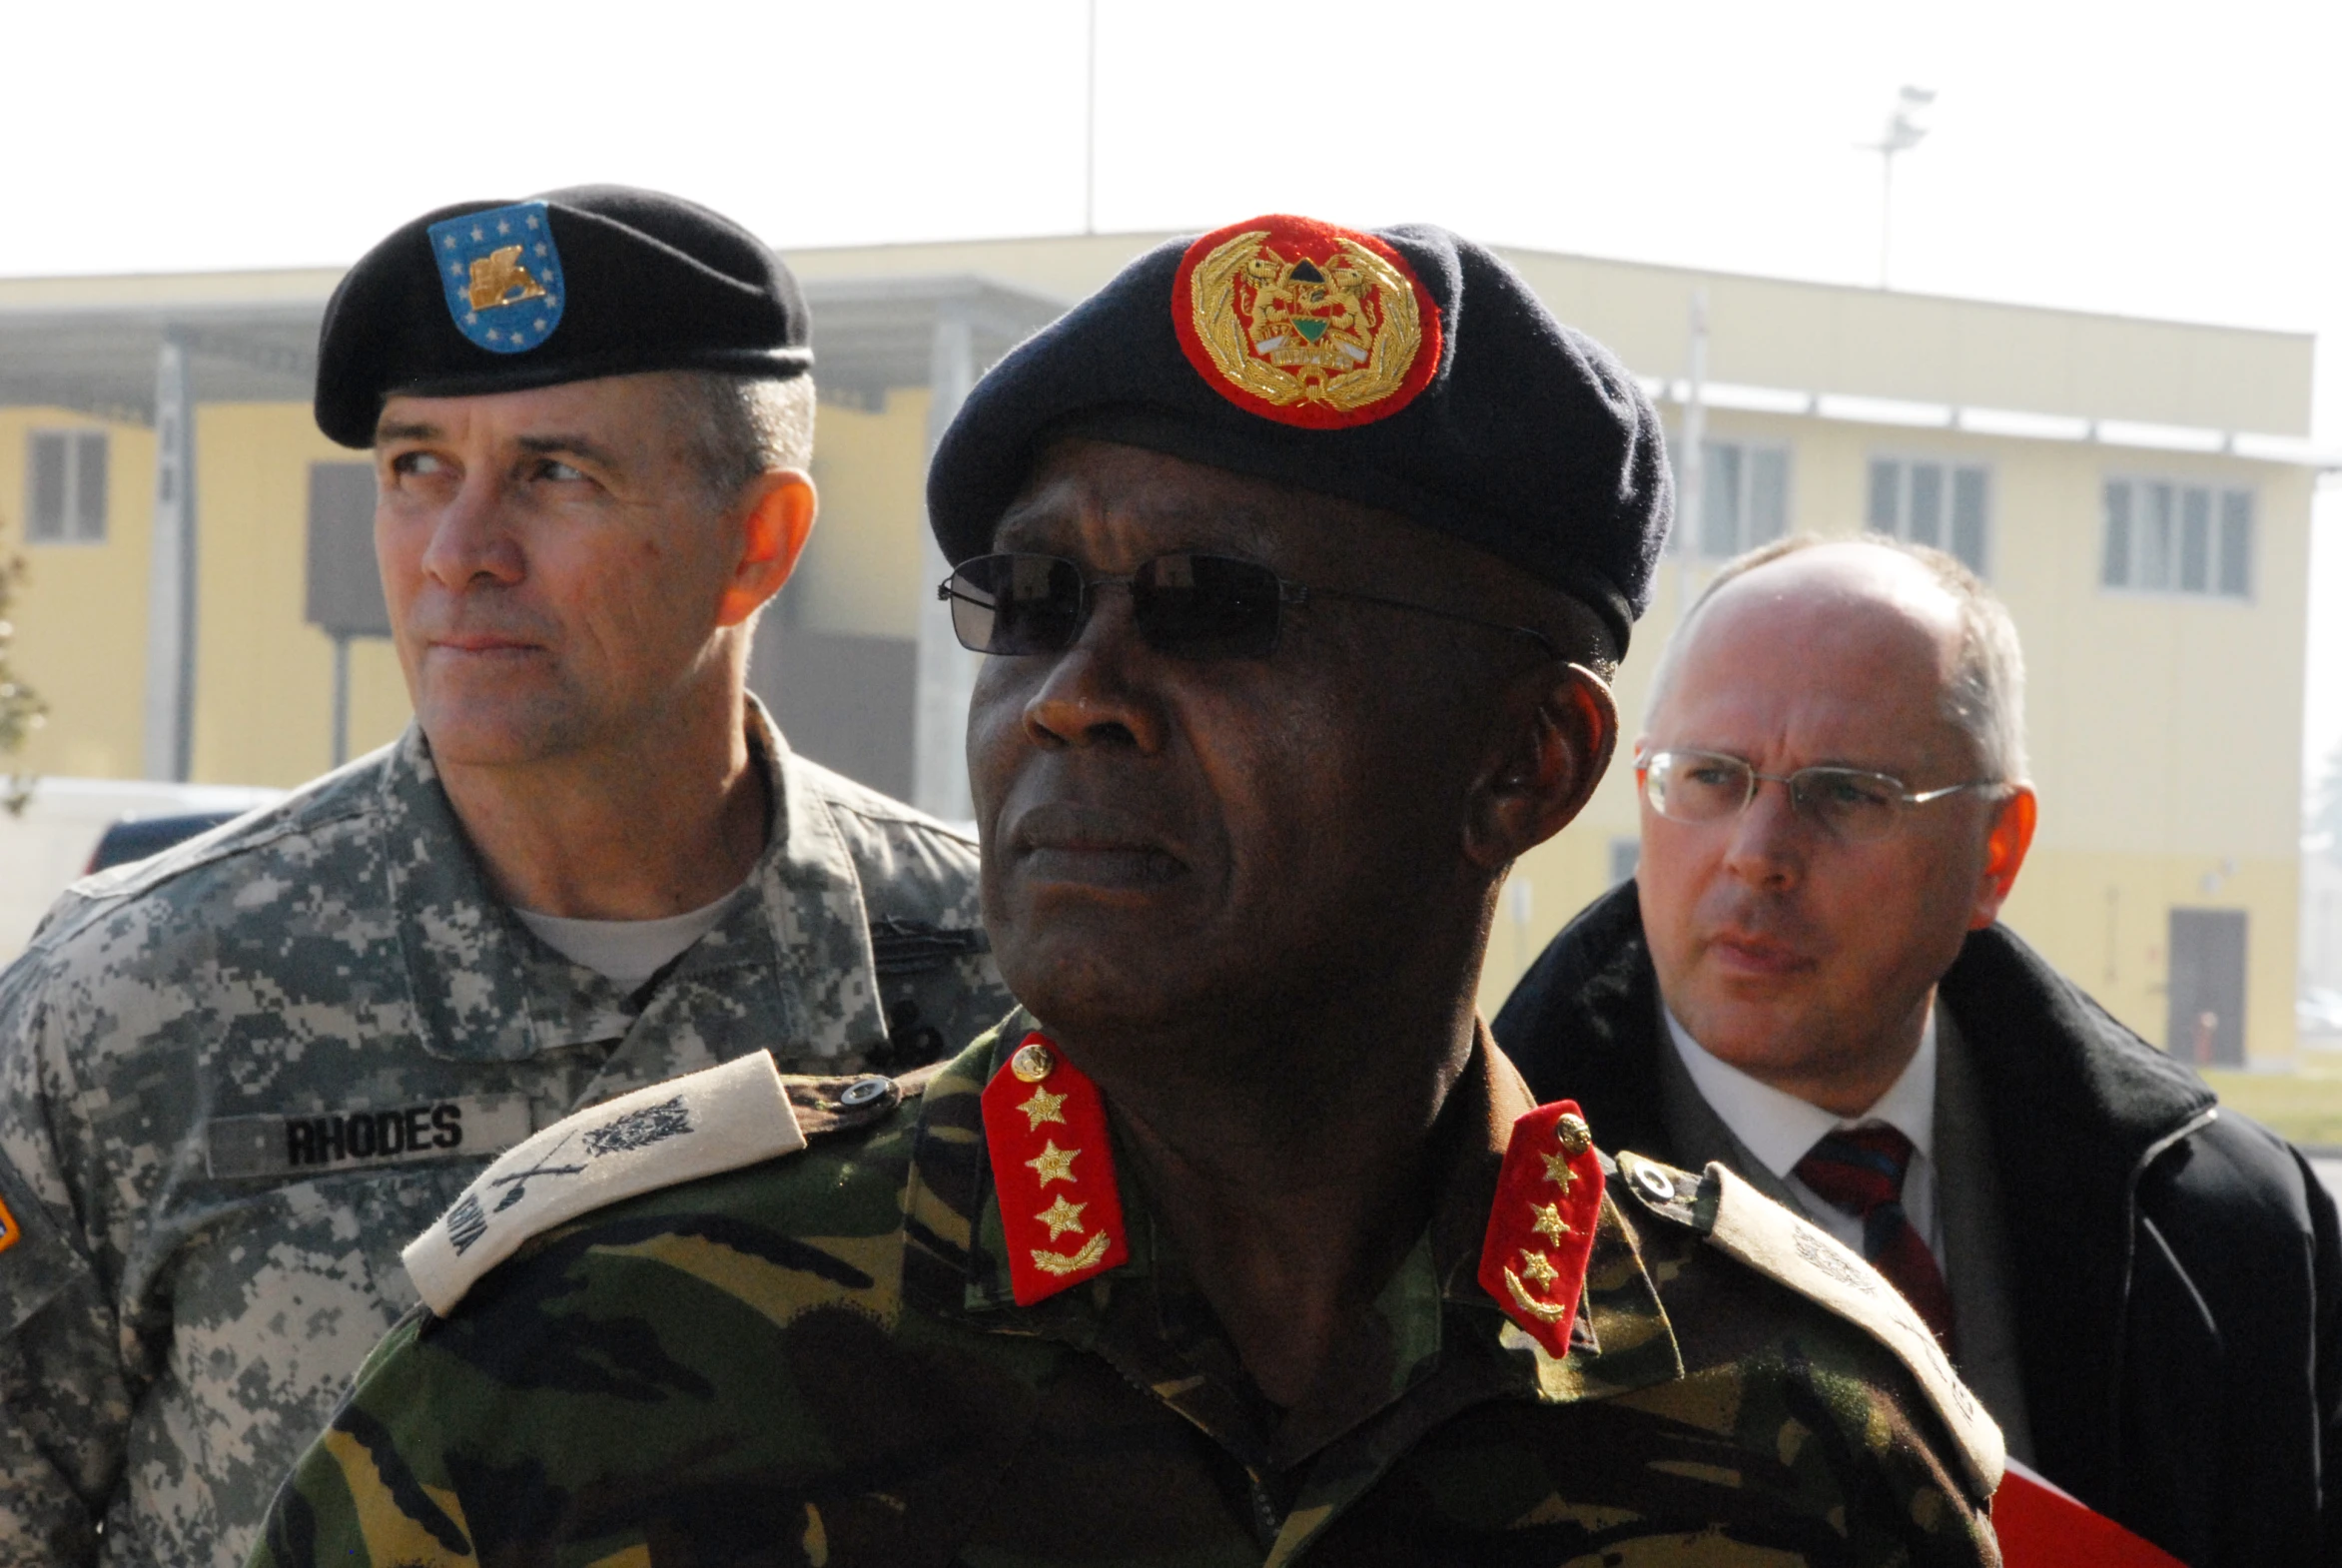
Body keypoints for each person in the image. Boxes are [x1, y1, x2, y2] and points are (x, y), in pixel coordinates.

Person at [251, 214, 2004, 1567]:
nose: (1076, 690)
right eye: (1028, 599)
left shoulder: (1802, 1436)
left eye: (1215, 605)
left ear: (1526, 764)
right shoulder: (597, 1356)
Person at [0, 186, 1010, 1567]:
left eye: (556, 474)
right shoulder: (127, 1008)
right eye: (417, 466)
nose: (457, 550)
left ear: (757, 543)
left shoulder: (1000, 989)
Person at [1495, 533, 2342, 1568]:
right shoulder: (1461, 1211)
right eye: (1709, 776)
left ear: (1994, 852)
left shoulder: (2231, 1228)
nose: (1756, 853)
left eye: (1844, 793)